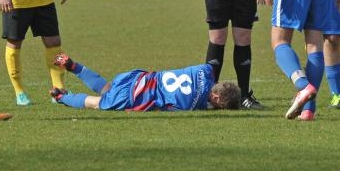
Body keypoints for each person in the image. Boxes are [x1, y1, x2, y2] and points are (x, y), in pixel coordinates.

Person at [49, 53, 241, 111]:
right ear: (215, 97)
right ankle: (62, 97)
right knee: (98, 103)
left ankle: (74, 66)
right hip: (138, 94)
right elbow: (165, 107)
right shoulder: (193, 105)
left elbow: (210, 68)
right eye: (219, 105)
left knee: (108, 87)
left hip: (138, 77)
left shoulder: (204, 71)